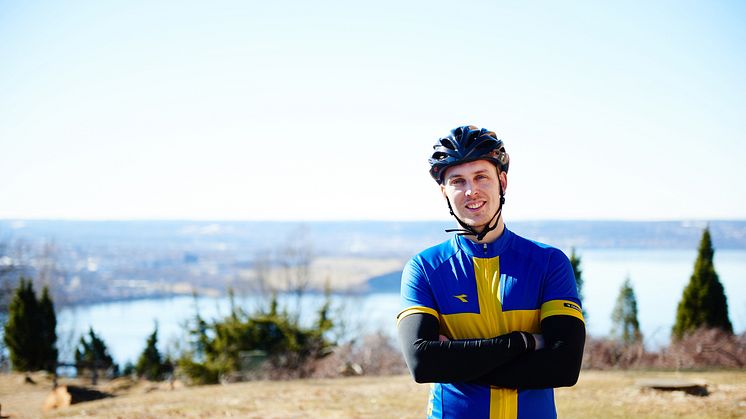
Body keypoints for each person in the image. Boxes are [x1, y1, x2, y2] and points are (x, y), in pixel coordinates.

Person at [397, 125, 586, 419]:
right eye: (458, 181)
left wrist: (457, 360)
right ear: (444, 191)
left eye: (481, 177)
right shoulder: (425, 267)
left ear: (502, 182)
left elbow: (563, 367)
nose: (471, 191)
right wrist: (521, 343)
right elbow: (424, 365)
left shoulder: (549, 262)